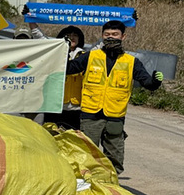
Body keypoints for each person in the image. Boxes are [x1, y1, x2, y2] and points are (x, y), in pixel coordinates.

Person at [66, 20, 163, 173]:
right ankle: (86, 184)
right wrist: (64, 51)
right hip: (90, 114)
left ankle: (111, 184)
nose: (111, 37)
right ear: (102, 36)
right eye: (107, 34)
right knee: (86, 152)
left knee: (114, 155)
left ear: (123, 36)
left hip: (115, 116)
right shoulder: (90, 56)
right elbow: (69, 69)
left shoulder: (131, 62)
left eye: (115, 34)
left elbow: (147, 82)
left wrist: (155, 81)